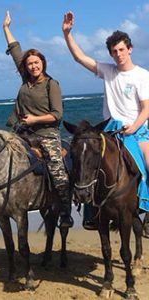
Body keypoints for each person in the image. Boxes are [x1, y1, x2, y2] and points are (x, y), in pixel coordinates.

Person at [62, 11, 149, 231]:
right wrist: (67, 34)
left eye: (121, 49)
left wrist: (133, 127)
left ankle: (147, 213)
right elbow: (80, 58)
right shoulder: (107, 71)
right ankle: (92, 212)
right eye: (114, 51)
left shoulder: (142, 75)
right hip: (110, 131)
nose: (118, 54)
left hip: (137, 131)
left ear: (129, 49)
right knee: (87, 164)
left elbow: (147, 108)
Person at [3, 10, 73, 228]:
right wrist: (6, 28)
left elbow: (57, 114)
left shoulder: (52, 84)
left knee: (57, 169)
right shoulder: (25, 79)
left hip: (46, 134)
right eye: (30, 63)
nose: (33, 66)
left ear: (43, 63)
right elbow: (16, 52)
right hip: (21, 132)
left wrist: (35, 120)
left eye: (36, 63)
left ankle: (64, 212)